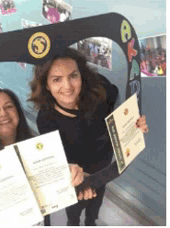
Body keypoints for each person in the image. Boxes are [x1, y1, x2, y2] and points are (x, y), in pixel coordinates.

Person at [28, 48, 148, 226]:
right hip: (76, 179)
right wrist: (76, 179)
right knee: (74, 210)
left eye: (73, 76)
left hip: (103, 169)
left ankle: (91, 221)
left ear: (81, 75)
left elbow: (119, 112)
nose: (68, 86)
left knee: (95, 205)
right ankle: (73, 222)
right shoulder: (46, 119)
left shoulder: (101, 90)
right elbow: (57, 160)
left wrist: (134, 123)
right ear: (46, 84)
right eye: (56, 79)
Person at [0, 88, 89, 225]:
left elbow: (56, 179)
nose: (3, 113)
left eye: (9, 107)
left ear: (18, 113)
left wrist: (76, 176)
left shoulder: (34, 147)